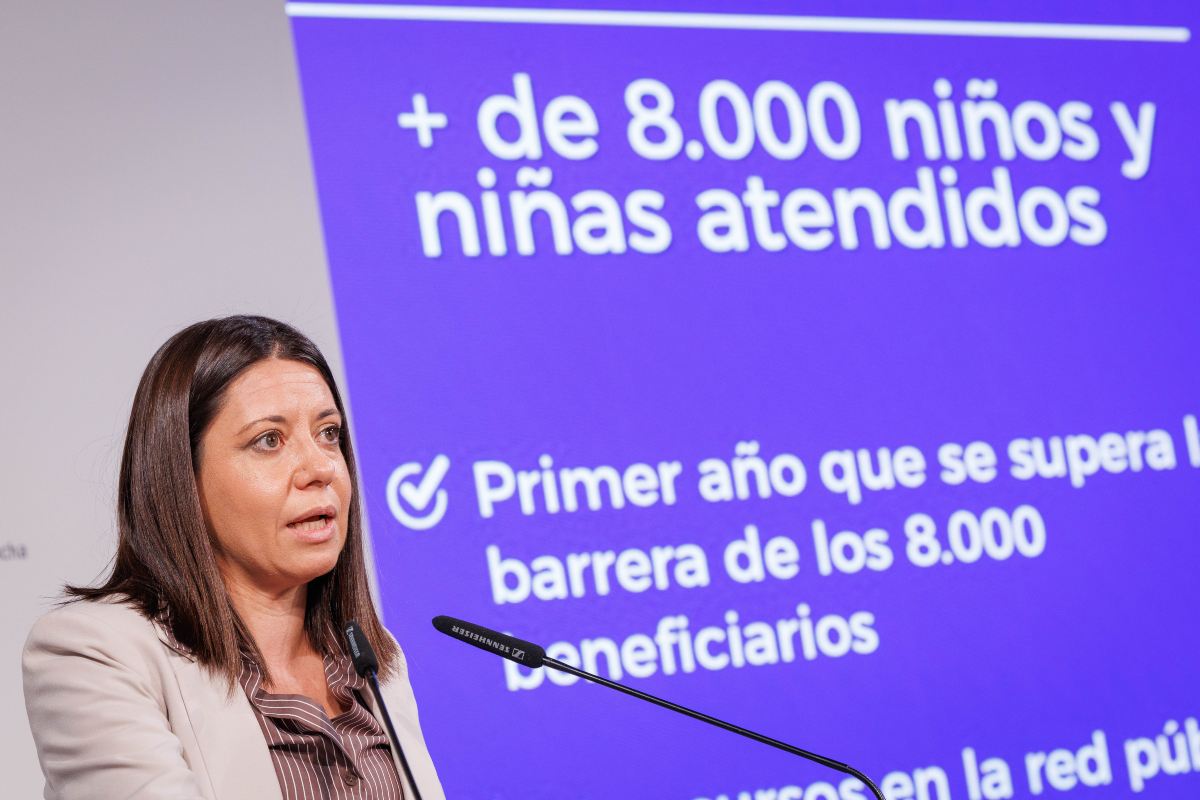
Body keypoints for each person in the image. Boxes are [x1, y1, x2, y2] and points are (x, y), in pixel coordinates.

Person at [23, 315, 444, 799]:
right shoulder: (95, 654)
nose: (321, 467)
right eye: (270, 440)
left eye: (329, 433)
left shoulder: (367, 660)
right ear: (183, 480)